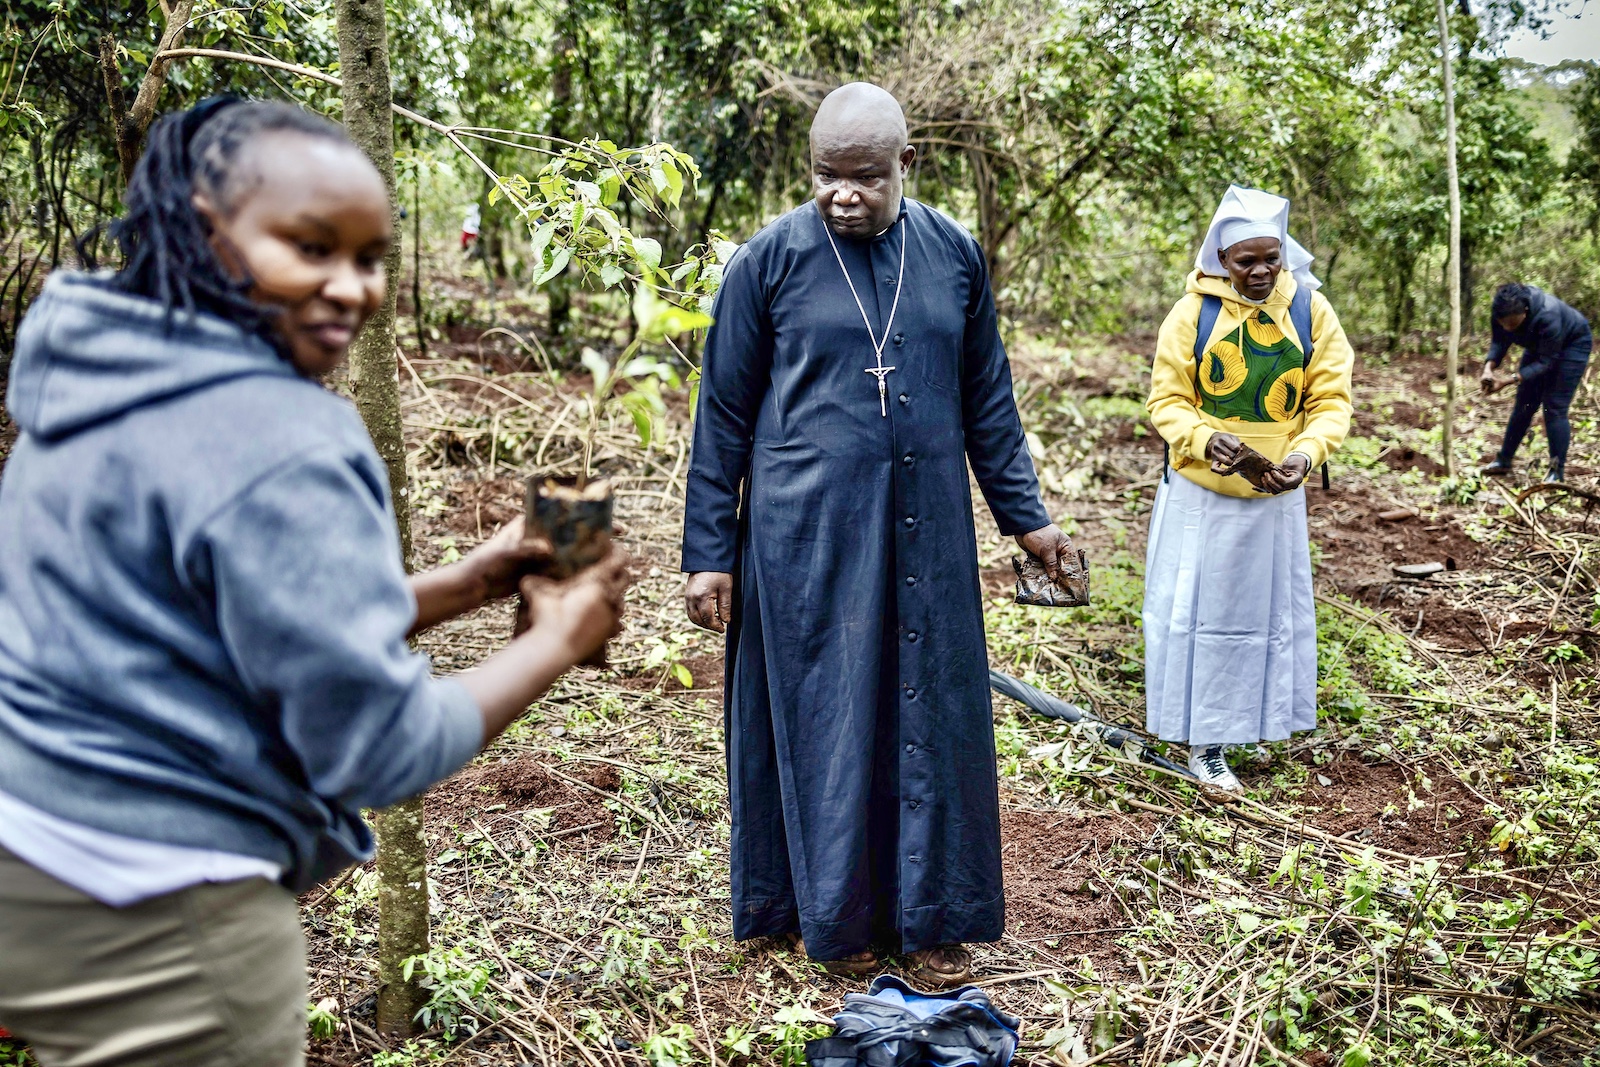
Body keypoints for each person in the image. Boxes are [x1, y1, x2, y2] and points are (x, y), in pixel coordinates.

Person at [0, 99, 628, 1066]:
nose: (352, 289)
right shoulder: (282, 438)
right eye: (310, 247)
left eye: (370, 258)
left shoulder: (97, 382)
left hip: (33, 870)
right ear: (208, 229)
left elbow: (201, 619)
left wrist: (464, 581)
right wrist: (560, 639)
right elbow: (378, 749)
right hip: (165, 913)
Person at [680, 82, 1078, 987]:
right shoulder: (767, 263)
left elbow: (990, 404)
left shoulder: (953, 256)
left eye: (864, 177)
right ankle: (833, 917)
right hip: (805, 542)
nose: (843, 195)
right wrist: (708, 551)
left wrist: (1031, 522)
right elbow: (722, 418)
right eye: (826, 176)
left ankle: (935, 914)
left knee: (931, 715)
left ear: (907, 164)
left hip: (929, 532)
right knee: (830, 717)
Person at [1143, 185, 1355, 791]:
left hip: (1273, 496)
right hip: (1200, 494)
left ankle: (1250, 724)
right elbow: (1167, 399)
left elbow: (1331, 401)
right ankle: (1203, 741)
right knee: (1202, 611)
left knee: (1262, 613)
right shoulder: (1192, 315)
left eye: (1271, 259)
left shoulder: (1312, 311)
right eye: (1245, 262)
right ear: (1221, 260)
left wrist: (1307, 454)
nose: (1260, 272)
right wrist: (1207, 440)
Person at [1478, 282, 1592, 484]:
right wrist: (1489, 368)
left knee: (1554, 407)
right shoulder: (1501, 313)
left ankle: (1557, 472)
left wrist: (1508, 380)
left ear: (1526, 312)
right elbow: (1499, 341)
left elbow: (1546, 362)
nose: (1507, 328)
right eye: (1503, 323)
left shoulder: (1548, 316)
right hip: (1538, 346)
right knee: (1524, 403)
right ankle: (1504, 460)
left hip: (1572, 346)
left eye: (1512, 325)